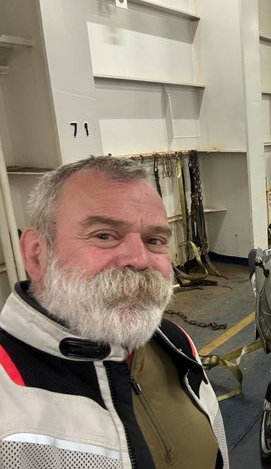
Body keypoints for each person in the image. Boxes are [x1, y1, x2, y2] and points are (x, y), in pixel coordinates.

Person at [0, 156, 229, 468]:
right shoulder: (7, 393)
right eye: (104, 235)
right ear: (37, 255)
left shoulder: (175, 344)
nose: (139, 259)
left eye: (154, 240)